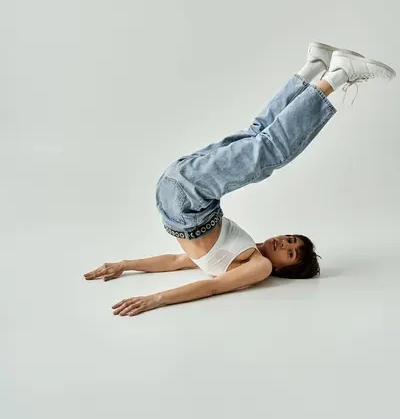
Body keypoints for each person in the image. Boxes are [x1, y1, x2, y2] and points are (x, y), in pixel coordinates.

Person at [84, 42, 396, 317]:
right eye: (291, 239)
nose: (284, 242)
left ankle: (336, 74)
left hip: (185, 199)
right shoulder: (242, 252)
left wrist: (143, 285)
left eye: (290, 252)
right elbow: (183, 262)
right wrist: (128, 268)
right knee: (258, 136)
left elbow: (195, 276)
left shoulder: (258, 267)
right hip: (184, 192)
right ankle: (315, 66)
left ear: (283, 270)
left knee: (270, 148)